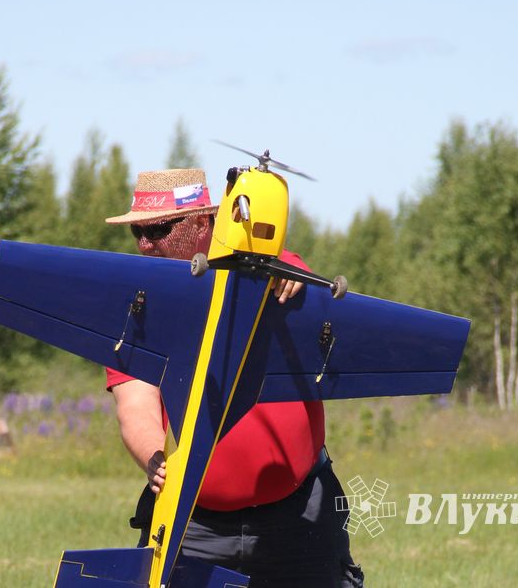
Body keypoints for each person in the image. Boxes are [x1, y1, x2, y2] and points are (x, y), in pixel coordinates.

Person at [103, 168, 364, 588]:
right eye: (138, 232)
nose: (146, 244)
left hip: (298, 517)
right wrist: (155, 458)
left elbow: (290, 271)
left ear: (203, 222)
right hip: (195, 523)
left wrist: (291, 272)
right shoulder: (138, 307)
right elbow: (134, 402)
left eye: (160, 229)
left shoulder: (279, 278)